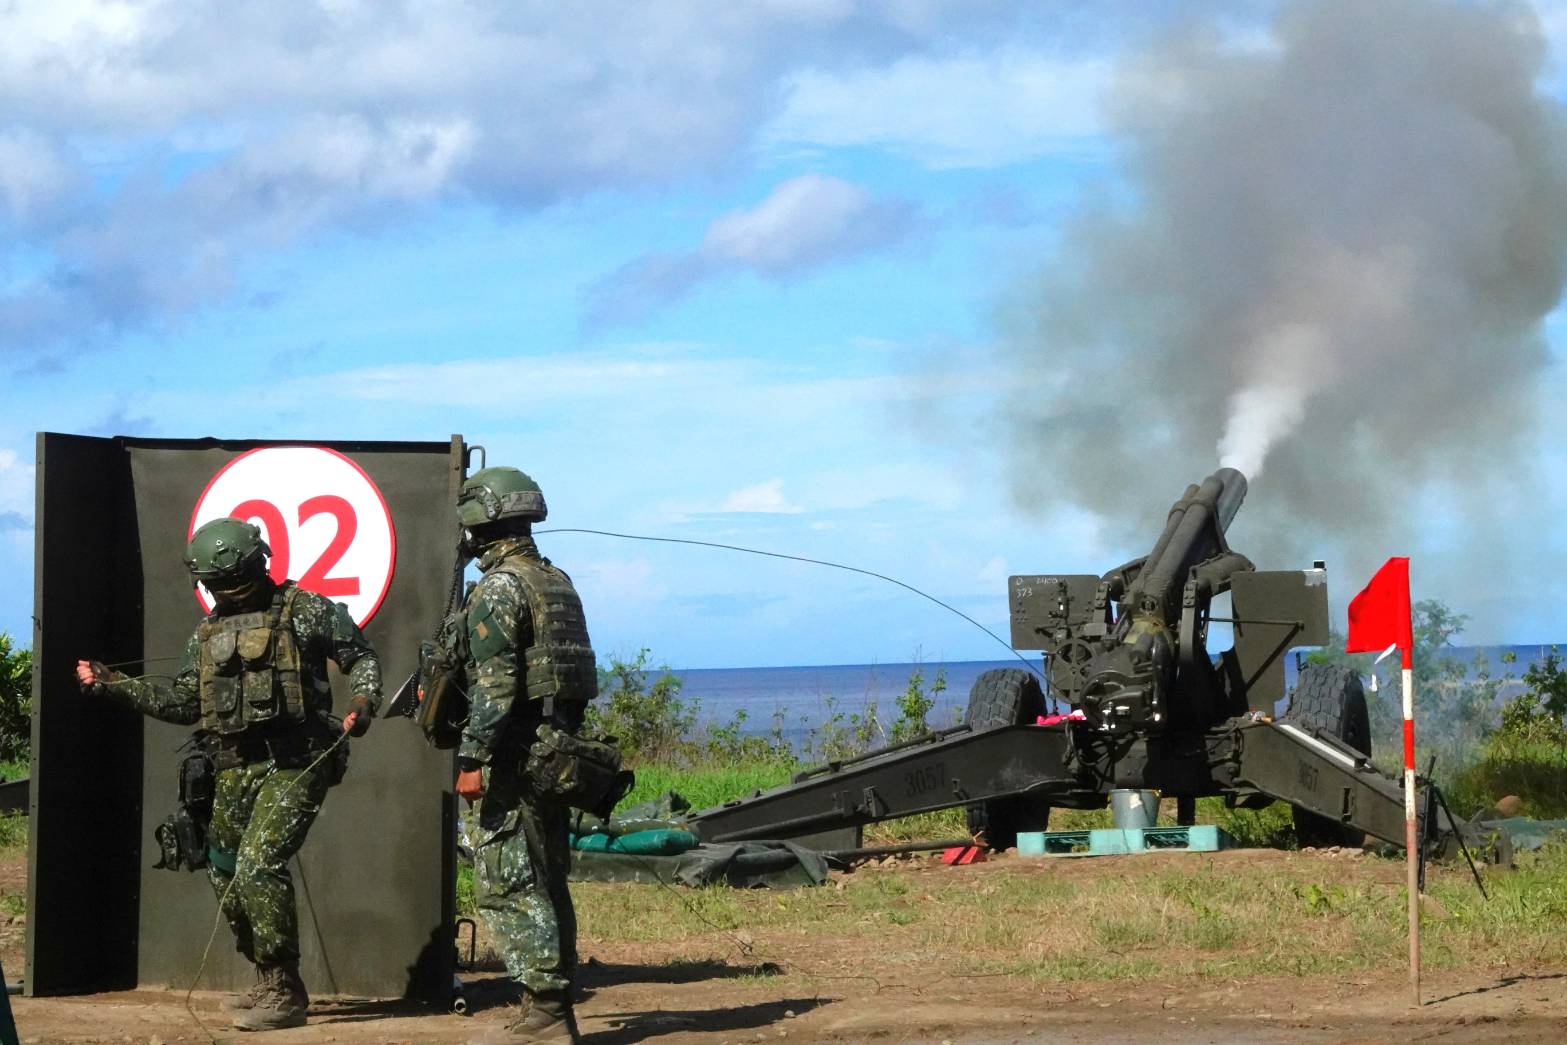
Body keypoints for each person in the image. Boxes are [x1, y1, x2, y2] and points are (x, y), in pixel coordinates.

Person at [76, 517, 381, 1032]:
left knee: (260, 862)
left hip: (297, 760)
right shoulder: (208, 632)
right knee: (220, 864)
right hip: (235, 767)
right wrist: (115, 685)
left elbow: (361, 656)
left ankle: (284, 992)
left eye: (239, 576)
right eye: (220, 583)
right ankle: (269, 974)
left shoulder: (306, 610)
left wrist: (363, 701)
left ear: (261, 562)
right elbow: (182, 701)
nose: (231, 589)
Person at [453, 467, 597, 1044]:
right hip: (555, 748)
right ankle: (549, 1002)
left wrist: (471, 758)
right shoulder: (553, 580)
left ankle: (545, 1012)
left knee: (509, 880)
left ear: (479, 521)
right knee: (546, 876)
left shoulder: (499, 588)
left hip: (515, 754)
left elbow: (495, 684)